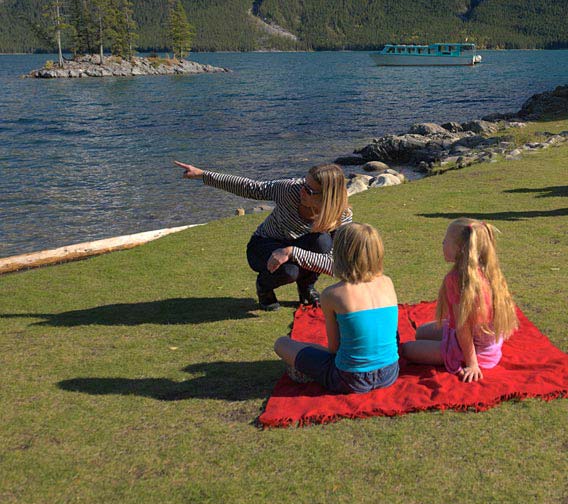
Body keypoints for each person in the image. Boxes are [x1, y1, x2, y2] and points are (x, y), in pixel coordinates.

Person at [174, 161, 351, 311]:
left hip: (293, 248)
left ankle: (306, 287)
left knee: (322, 242)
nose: (302, 191)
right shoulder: (289, 189)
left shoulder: (341, 216)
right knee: (290, 271)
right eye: (304, 184)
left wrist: (291, 252)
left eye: (309, 191)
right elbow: (251, 187)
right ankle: (264, 287)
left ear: (328, 196)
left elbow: (335, 266)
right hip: (264, 244)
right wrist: (202, 174)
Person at [274, 223, 399, 394]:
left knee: (282, 344)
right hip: (390, 372)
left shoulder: (332, 294)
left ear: (340, 254)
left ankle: (306, 369)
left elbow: (334, 349)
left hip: (350, 379)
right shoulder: (387, 282)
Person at [401, 218, 518, 382]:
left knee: (406, 349)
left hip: (473, 351)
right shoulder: (489, 271)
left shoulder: (457, 280)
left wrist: (472, 364)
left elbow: (463, 328)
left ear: (459, 248)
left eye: (446, 240)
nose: (442, 243)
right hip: (488, 347)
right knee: (420, 332)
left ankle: (459, 355)